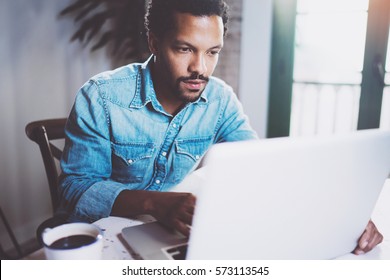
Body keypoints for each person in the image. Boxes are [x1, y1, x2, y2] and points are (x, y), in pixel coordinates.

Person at [58, 0, 382, 255]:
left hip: (163, 233)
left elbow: (262, 167)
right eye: (185, 49)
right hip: (98, 238)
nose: (200, 68)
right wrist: (154, 203)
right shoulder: (101, 96)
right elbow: (75, 189)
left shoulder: (220, 99)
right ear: (154, 42)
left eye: (212, 52)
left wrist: (338, 216)